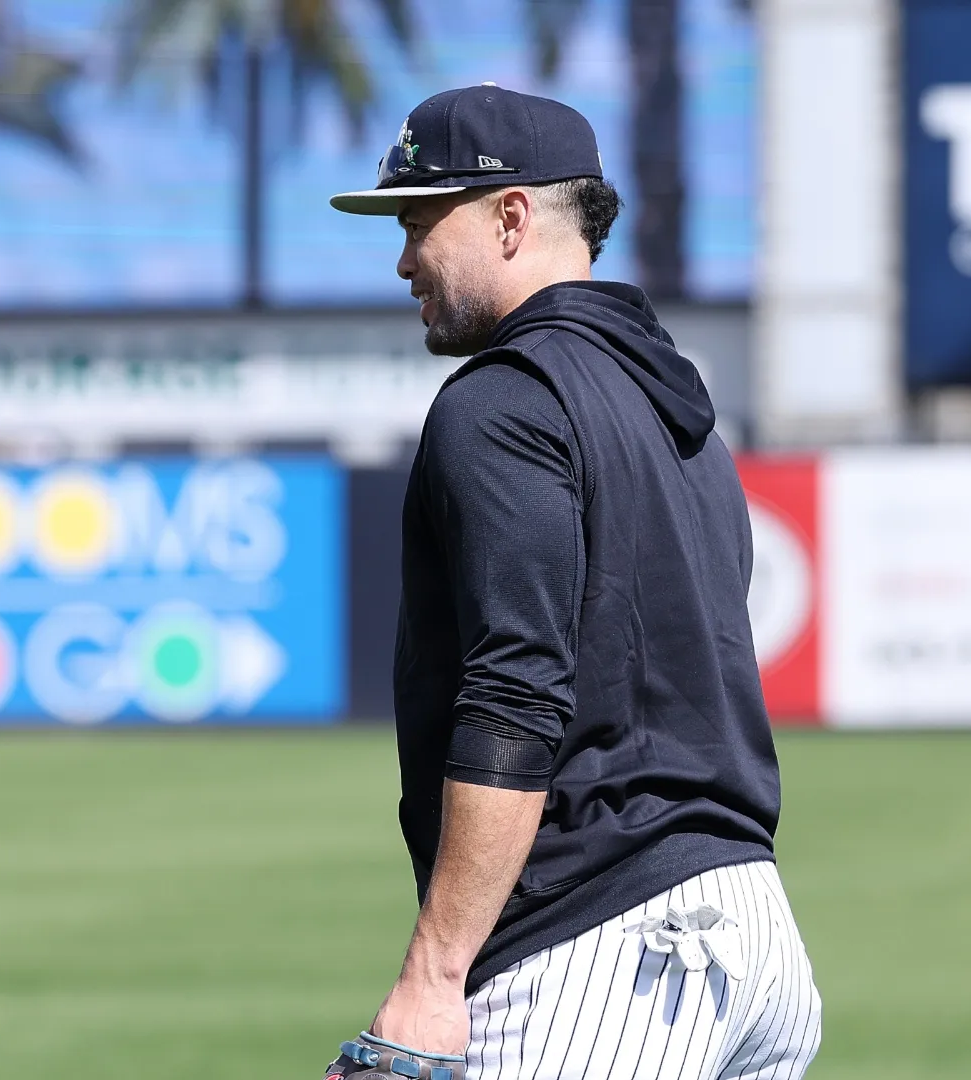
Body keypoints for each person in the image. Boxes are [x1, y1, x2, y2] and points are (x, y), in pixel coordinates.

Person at [321, 86, 821, 1080]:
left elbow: (516, 695)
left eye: (421, 219)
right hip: (758, 945)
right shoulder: (686, 422)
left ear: (511, 217)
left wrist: (434, 973)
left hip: (609, 958)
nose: (403, 257)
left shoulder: (502, 405)